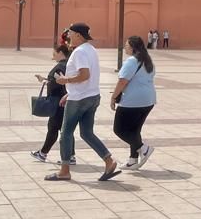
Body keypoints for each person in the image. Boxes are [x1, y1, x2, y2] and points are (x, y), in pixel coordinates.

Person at [45, 23, 118, 183]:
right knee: (86, 133)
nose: (68, 36)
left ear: (78, 35)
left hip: (80, 99)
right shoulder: (90, 49)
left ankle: (64, 171)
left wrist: (65, 80)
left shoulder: (79, 52)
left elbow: (84, 75)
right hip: (91, 97)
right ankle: (109, 161)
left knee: (65, 134)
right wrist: (69, 93)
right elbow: (87, 77)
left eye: (70, 33)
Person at [110, 34, 156, 171]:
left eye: (127, 45)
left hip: (132, 101)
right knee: (134, 130)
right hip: (148, 100)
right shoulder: (148, 61)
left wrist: (113, 97)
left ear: (133, 47)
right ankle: (133, 160)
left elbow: (122, 81)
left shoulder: (131, 61)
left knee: (119, 129)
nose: (125, 47)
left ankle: (143, 148)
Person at [31, 44, 74, 164]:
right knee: (65, 130)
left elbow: (57, 83)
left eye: (54, 53)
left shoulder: (60, 66)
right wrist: (44, 80)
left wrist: (46, 81)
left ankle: (43, 153)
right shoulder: (67, 65)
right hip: (64, 101)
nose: (52, 56)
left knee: (54, 128)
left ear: (60, 52)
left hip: (58, 102)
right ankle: (70, 156)